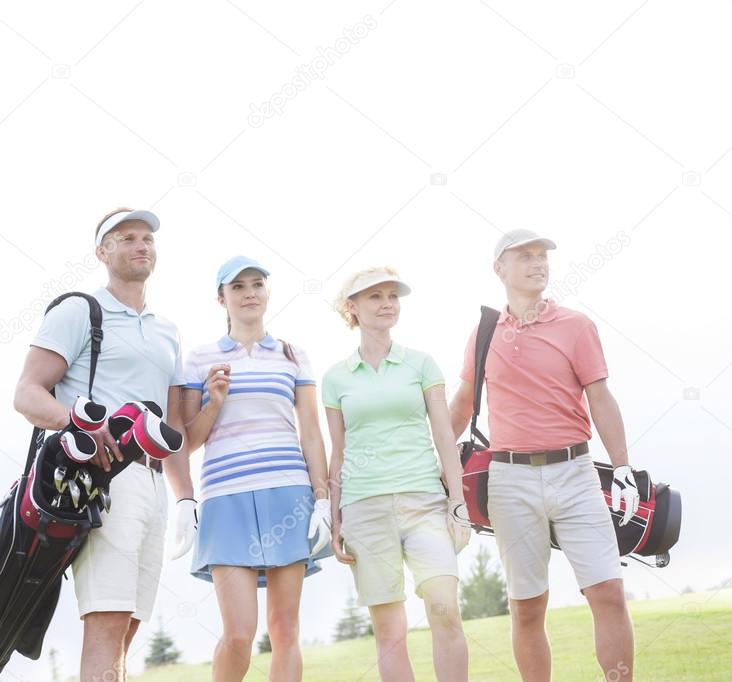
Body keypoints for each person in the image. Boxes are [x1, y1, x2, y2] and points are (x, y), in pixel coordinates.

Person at [449, 229, 639, 682]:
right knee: (527, 606)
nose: (538, 264)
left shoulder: (576, 326)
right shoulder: (484, 332)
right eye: (525, 257)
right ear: (500, 269)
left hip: (575, 473)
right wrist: (428, 463)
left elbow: (601, 398)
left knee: (608, 591)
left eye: (542, 257)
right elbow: (460, 405)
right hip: (509, 480)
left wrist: (624, 467)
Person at [13, 208, 192, 682]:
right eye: (127, 237)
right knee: (107, 622)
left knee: (129, 627)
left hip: (154, 486)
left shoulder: (167, 330)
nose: (141, 245)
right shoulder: (79, 310)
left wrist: (187, 497)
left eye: (147, 238)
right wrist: (82, 426)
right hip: (103, 478)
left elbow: (174, 425)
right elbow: (27, 393)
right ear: (102, 252)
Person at [175, 256, 331, 682]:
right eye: (238, 286)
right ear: (221, 298)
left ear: (267, 292)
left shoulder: (293, 354)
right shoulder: (199, 358)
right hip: (226, 500)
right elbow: (188, 441)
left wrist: (323, 499)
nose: (249, 293)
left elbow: (312, 434)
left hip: (288, 494)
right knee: (240, 633)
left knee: (285, 629)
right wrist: (215, 403)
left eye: (257, 284)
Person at [322, 266, 471, 682]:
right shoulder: (335, 377)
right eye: (375, 296)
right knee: (389, 630)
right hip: (363, 509)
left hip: (424, 502)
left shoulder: (420, 364)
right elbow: (339, 453)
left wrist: (457, 502)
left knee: (445, 605)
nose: (387, 303)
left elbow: (444, 436)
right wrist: (335, 520)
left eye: (392, 295)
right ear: (352, 307)